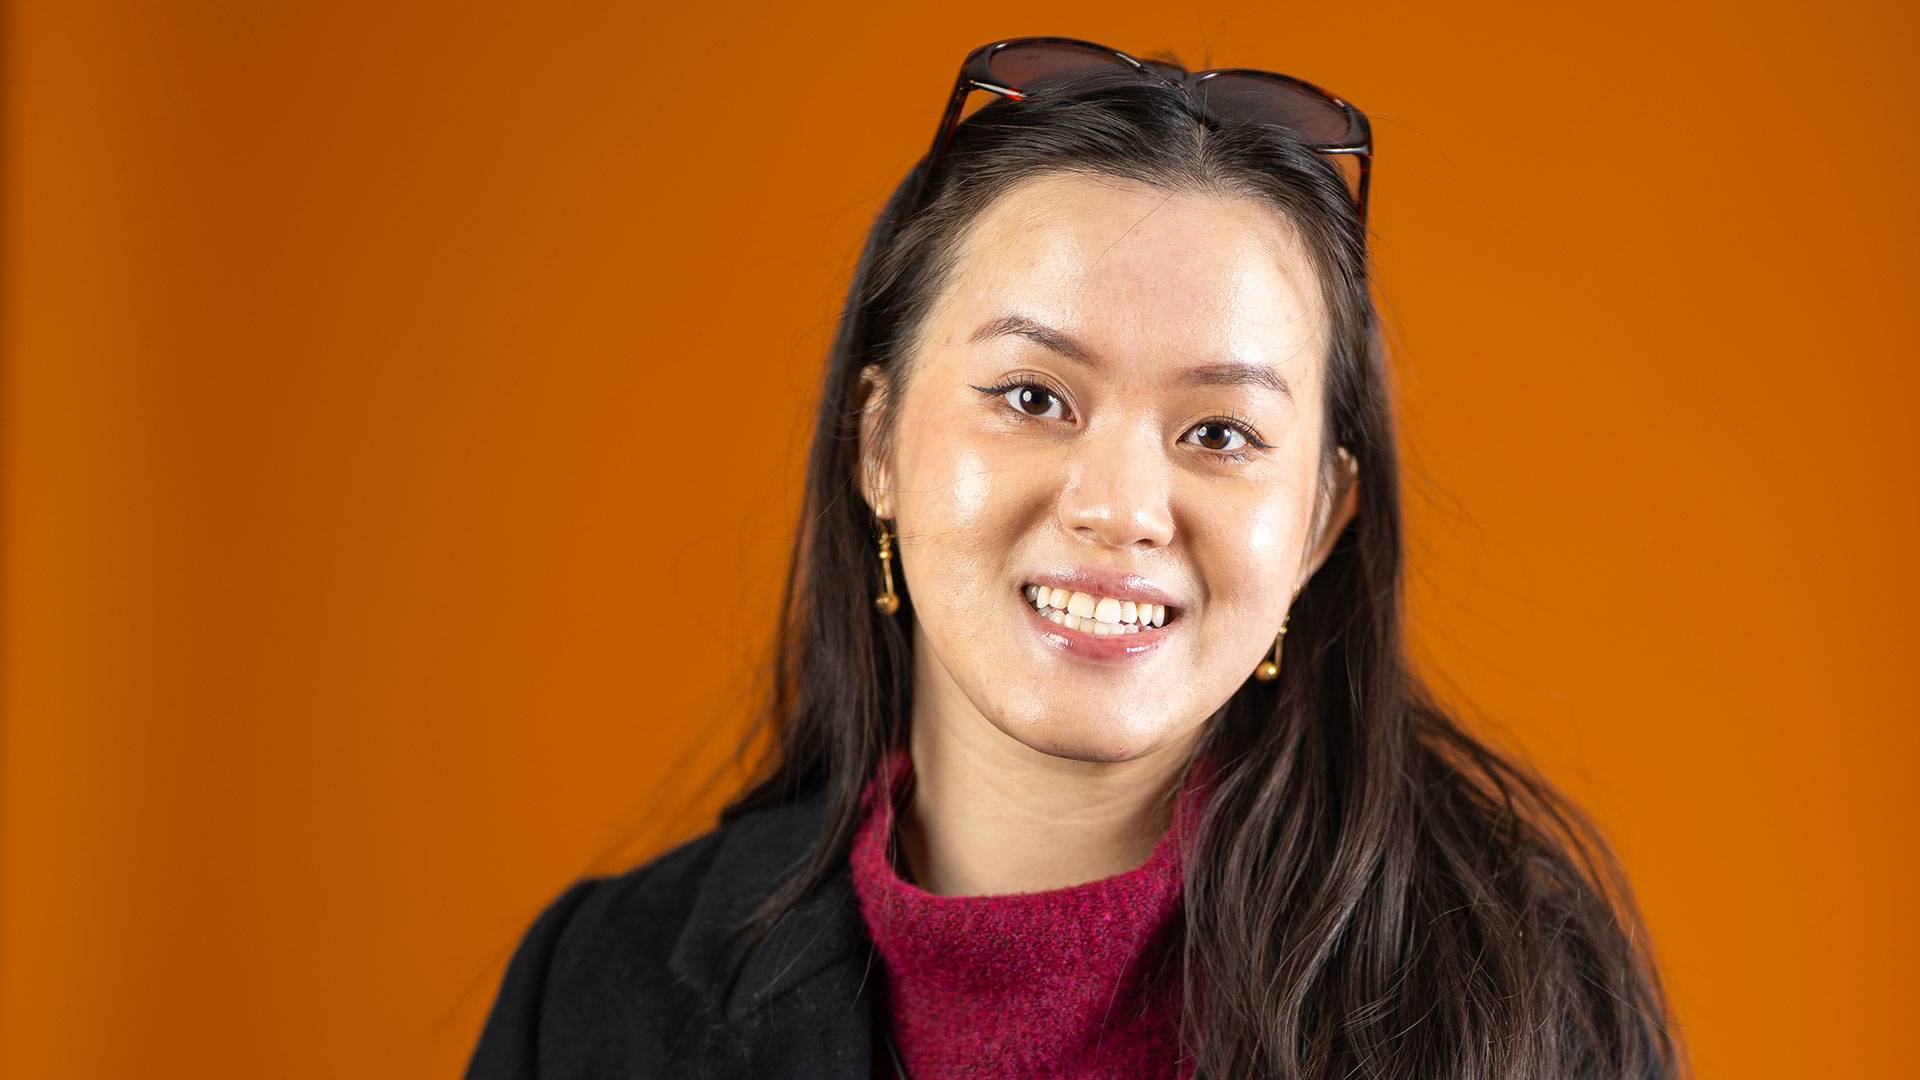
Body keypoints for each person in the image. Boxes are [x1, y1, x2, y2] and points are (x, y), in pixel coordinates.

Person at [465, 37, 1686, 1080]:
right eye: (1034, 397)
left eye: (1219, 432)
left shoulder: (1521, 1001)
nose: (1120, 508)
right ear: (877, 444)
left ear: (1321, 523)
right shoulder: (593, 996)